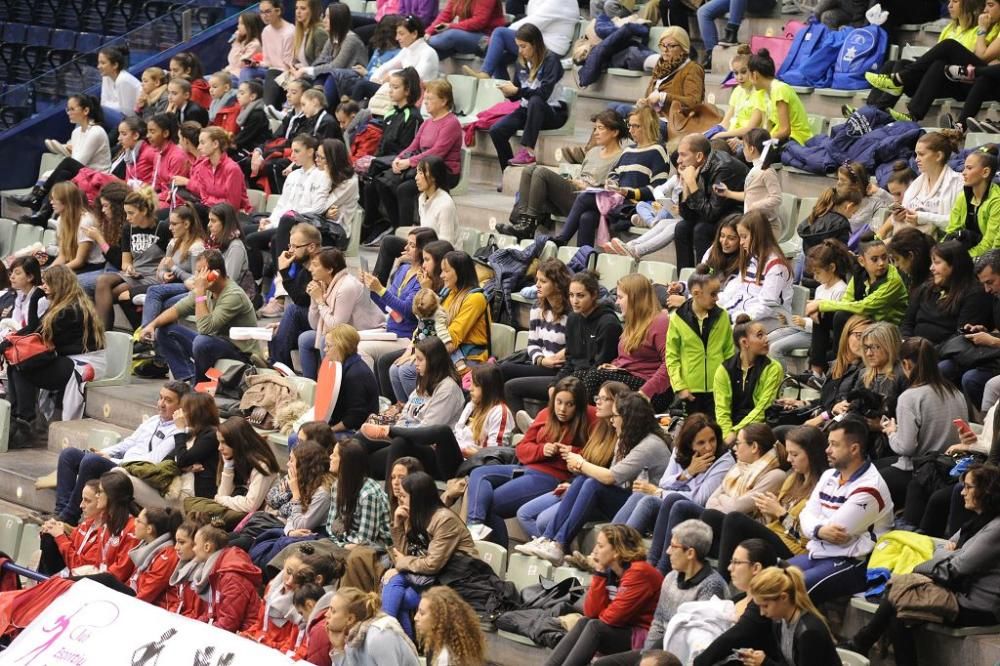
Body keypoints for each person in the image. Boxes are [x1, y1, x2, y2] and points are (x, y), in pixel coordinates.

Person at [844, 462, 1000, 664]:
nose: (962, 493)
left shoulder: (995, 529)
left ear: (987, 492)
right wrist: (953, 554)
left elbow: (958, 567)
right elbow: (943, 550)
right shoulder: (977, 522)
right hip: (955, 592)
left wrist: (936, 561)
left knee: (899, 592)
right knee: (899, 614)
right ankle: (862, 643)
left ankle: (862, 642)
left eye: (969, 487)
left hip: (978, 606)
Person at [520, 392, 672, 565]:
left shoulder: (649, 444)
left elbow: (610, 477)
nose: (612, 420)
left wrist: (581, 463)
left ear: (629, 418)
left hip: (645, 509)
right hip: (627, 497)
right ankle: (550, 540)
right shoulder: (626, 438)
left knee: (591, 484)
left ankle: (560, 544)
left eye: (615, 416)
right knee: (581, 481)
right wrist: (579, 468)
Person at [466, 376, 597, 546]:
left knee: (491, 503)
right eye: (558, 402)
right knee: (478, 473)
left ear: (578, 405)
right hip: (526, 468)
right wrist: (542, 450)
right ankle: (475, 526)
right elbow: (522, 449)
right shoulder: (545, 414)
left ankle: (498, 557)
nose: (562, 409)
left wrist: (574, 451)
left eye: (569, 404)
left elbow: (598, 456)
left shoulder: (591, 418)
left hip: (550, 477)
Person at [648, 424, 787, 575]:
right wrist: (690, 474)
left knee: (694, 509)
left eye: (738, 443)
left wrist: (723, 496)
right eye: (701, 443)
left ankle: (662, 570)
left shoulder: (774, 475)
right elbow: (710, 502)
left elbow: (735, 509)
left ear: (753, 447)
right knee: (670, 500)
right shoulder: (739, 467)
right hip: (719, 520)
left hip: (739, 532)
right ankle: (651, 563)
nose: (734, 448)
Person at [50, 381, 188, 524]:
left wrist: (114, 460)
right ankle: (59, 512)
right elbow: (129, 442)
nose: (161, 404)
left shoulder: (178, 431)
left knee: (91, 462)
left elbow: (152, 462)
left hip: (137, 475)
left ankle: (68, 518)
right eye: (160, 398)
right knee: (69, 455)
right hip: (121, 464)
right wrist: (104, 453)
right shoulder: (154, 420)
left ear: (181, 407)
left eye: (168, 400)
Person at [595, 520, 730, 665]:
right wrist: (646, 657)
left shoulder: (711, 585)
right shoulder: (671, 577)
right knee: (602, 664)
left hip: (681, 658)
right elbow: (658, 623)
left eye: (673, 546)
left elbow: (699, 641)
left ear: (690, 553)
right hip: (659, 650)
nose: (668, 551)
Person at [790, 417, 892, 602]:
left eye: (834, 445)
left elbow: (838, 529)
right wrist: (820, 530)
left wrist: (814, 527)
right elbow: (806, 513)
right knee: (767, 578)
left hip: (854, 563)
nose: (827, 450)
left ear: (854, 449)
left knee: (788, 591)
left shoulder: (870, 487)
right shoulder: (829, 475)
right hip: (818, 553)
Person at [518, 381, 630, 541]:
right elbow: (588, 461)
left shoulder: (621, 436)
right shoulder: (600, 427)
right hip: (579, 482)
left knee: (542, 520)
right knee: (524, 513)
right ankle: (551, 548)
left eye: (604, 399)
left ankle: (555, 548)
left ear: (617, 404)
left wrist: (577, 462)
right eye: (598, 397)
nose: (597, 402)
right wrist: (574, 469)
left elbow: (607, 475)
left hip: (599, 493)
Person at [4, 266, 104, 443]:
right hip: (67, 358)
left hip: (83, 363)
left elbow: (36, 333)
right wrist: (5, 344)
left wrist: (34, 300)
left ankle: (27, 422)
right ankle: (18, 417)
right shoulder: (63, 304)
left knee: (23, 367)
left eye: (47, 282)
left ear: (58, 284)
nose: (43, 286)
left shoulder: (70, 310)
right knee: (17, 363)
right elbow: (34, 330)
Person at [710, 426, 827, 574]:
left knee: (734, 519)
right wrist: (768, 511)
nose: (789, 459)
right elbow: (773, 521)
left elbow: (806, 538)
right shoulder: (792, 479)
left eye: (794, 454)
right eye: (788, 453)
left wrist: (780, 512)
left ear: (812, 454)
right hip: (773, 535)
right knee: (711, 516)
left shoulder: (822, 488)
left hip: (793, 550)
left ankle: (722, 581)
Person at [544, 525, 664, 666]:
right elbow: (590, 612)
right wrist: (599, 572)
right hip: (623, 629)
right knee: (585, 622)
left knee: (595, 627)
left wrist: (601, 613)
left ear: (617, 551)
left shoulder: (639, 572)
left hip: (644, 636)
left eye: (600, 546)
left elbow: (613, 618)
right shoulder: (610, 571)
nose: (594, 550)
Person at [504, 270, 622, 415]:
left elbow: (599, 368)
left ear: (594, 295)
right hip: (570, 377)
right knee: (511, 386)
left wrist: (566, 387)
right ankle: (523, 429)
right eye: (571, 295)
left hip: (589, 384)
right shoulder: (573, 318)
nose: (574, 301)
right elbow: (570, 360)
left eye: (580, 296)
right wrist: (555, 384)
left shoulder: (608, 324)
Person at [553, 107, 670, 248]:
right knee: (586, 218)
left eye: (636, 126)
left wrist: (628, 192)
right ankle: (584, 261)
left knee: (585, 197)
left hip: (635, 204)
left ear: (647, 126)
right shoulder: (628, 150)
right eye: (629, 125)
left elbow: (658, 189)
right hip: (617, 201)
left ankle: (563, 238)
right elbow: (614, 174)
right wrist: (611, 184)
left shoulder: (658, 151)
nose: (631, 130)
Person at [866, 0, 1000, 122]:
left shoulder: (987, 28)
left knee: (946, 50)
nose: (985, 10)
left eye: (990, 5)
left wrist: (982, 30)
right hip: (949, 75)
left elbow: (982, 57)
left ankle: (902, 87)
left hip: (970, 81)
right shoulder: (950, 28)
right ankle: (871, 112)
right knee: (896, 64)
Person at [500, 110, 626, 239]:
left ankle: (529, 225)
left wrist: (587, 186)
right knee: (528, 170)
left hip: (589, 199)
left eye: (600, 128)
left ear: (615, 132)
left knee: (541, 172)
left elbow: (612, 192)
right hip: (573, 192)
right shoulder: (593, 151)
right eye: (595, 129)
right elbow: (582, 176)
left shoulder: (621, 157)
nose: (596, 133)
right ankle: (523, 221)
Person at [381, 471, 478, 638]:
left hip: (456, 576)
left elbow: (432, 564)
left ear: (418, 497)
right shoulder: (417, 515)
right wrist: (397, 525)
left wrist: (402, 564)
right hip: (429, 573)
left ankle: (386, 636)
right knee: (393, 581)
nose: (400, 500)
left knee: (401, 598)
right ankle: (395, 643)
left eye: (404, 496)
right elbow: (405, 554)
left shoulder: (444, 520)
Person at [363, 78, 461, 241]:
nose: (426, 102)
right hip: (422, 167)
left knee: (405, 189)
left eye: (430, 99)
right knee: (381, 182)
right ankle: (397, 228)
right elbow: (413, 145)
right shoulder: (428, 122)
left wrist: (409, 163)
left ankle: (406, 235)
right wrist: (399, 159)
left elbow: (438, 152)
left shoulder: (451, 123)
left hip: (442, 170)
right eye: (426, 98)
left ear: (444, 101)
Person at [377, 364, 513, 481]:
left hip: (468, 466)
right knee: (400, 443)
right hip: (449, 457)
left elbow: (496, 456)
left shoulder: (500, 412)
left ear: (489, 388)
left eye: (475, 385)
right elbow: (458, 433)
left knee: (443, 431)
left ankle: (390, 430)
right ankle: (389, 501)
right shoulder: (473, 405)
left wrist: (471, 452)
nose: (470, 388)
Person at [143, 250, 258, 383]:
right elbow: (177, 309)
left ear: (216, 274)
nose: (196, 277)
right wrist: (152, 325)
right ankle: (189, 378)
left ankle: (202, 383)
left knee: (202, 341)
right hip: (215, 344)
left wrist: (200, 292)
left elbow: (205, 329)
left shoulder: (233, 295)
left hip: (240, 353)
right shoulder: (207, 289)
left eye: (200, 272)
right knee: (164, 330)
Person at [613, 414, 735, 539]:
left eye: (712, 440)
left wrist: (659, 493)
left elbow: (699, 500)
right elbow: (664, 482)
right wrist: (688, 472)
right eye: (701, 443)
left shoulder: (724, 462)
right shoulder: (680, 451)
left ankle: (619, 545)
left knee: (649, 501)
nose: (709, 447)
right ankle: (611, 542)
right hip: (671, 506)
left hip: (696, 514)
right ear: (690, 444)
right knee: (638, 495)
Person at [879, 337, 967, 508]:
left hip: (920, 470)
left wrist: (891, 432)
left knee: (864, 475)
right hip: (949, 466)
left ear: (906, 364)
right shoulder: (956, 392)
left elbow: (906, 448)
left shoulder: (909, 397)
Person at [359, 337, 466, 476]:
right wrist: (396, 431)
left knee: (371, 460)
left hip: (430, 451)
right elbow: (404, 416)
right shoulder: (423, 383)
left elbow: (428, 430)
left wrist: (394, 433)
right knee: (361, 440)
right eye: (415, 358)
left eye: (420, 359)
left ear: (434, 361)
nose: (415, 363)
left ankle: (389, 494)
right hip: (404, 439)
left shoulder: (448, 389)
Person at [806, 238, 909, 365]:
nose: (881, 263)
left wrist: (821, 304)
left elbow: (865, 307)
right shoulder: (859, 274)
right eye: (875, 259)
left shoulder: (892, 281)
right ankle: (817, 369)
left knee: (840, 315)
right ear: (862, 261)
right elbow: (847, 301)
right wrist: (820, 308)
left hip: (886, 327)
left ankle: (839, 364)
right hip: (867, 320)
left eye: (884, 257)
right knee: (824, 315)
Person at [578, 274, 671, 409]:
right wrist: (616, 366)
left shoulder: (660, 322)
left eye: (620, 297)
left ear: (635, 299)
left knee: (594, 378)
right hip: (630, 376)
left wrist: (645, 391)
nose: (616, 302)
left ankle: (588, 424)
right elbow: (630, 359)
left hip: (652, 391)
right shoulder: (634, 321)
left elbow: (669, 365)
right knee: (578, 376)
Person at [488, 24, 567, 169]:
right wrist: (508, 92)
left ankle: (528, 151)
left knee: (536, 101)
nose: (520, 51)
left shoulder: (551, 61)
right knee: (496, 131)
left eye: (523, 46)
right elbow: (519, 92)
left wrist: (517, 91)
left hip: (552, 113)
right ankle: (508, 173)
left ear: (535, 44)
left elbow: (543, 94)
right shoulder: (521, 63)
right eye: (518, 46)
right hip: (527, 111)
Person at [689, 540, 780, 666]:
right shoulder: (738, 598)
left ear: (756, 568)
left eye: (736, 562)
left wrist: (697, 663)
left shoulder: (762, 607)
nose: (729, 568)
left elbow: (732, 639)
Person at [299, 248, 385, 379]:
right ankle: (310, 384)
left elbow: (336, 326)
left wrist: (320, 301)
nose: (310, 269)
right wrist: (314, 299)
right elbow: (314, 324)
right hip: (345, 330)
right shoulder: (324, 284)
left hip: (367, 330)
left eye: (315, 265)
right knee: (305, 339)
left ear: (330, 269)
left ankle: (331, 385)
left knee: (325, 341)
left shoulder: (347, 286)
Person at [357, 227, 436, 371]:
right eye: (407, 243)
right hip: (391, 330)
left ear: (423, 250)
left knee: (360, 349)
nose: (406, 248)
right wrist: (372, 289)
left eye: (412, 245)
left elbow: (407, 311)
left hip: (405, 337)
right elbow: (388, 308)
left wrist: (380, 289)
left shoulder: (423, 279)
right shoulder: (403, 269)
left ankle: (370, 391)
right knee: (350, 340)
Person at [94, 187, 170, 331]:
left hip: (155, 274)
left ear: (144, 211)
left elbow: (170, 258)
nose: (127, 218)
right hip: (136, 273)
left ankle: (126, 331)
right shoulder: (128, 228)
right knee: (102, 281)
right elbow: (125, 262)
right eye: (126, 213)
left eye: (131, 213)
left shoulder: (163, 227)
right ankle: (103, 334)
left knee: (118, 292)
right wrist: (129, 268)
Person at [183, 416, 281, 529]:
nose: (219, 448)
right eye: (219, 442)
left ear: (238, 442)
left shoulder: (263, 465)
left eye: (224, 442)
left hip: (262, 520)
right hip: (240, 512)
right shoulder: (234, 459)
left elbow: (251, 505)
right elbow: (223, 494)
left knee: (207, 524)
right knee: (195, 510)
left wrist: (222, 499)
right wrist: (228, 467)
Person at [38, 472, 139, 580]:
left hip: (112, 588)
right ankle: (43, 580)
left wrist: (60, 536)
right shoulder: (106, 525)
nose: (97, 495)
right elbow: (97, 567)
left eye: (100, 492)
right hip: (96, 579)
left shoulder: (131, 529)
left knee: (57, 584)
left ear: (111, 496)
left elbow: (117, 576)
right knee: (49, 538)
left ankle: (45, 581)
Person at [770, 241, 851, 371]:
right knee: (766, 340)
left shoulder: (841, 290)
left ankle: (780, 383)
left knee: (775, 348)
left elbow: (827, 324)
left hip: (818, 335)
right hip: (806, 329)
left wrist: (803, 322)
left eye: (818, 273)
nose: (815, 277)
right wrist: (789, 320)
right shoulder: (820, 289)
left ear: (832, 268)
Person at [666, 266, 735, 417]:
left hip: (718, 389)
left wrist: (728, 385)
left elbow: (729, 353)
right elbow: (672, 357)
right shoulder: (677, 318)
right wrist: (680, 387)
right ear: (697, 293)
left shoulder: (722, 316)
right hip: (690, 391)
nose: (717, 298)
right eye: (713, 294)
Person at [674, 133, 749, 268]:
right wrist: (686, 186)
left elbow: (710, 214)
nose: (679, 160)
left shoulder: (724, 168)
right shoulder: (697, 166)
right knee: (681, 228)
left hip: (737, 215)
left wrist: (692, 183)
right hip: (715, 212)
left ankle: (704, 278)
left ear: (699, 156)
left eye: (683, 155)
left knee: (701, 229)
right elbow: (687, 215)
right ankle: (684, 280)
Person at [740, 566, 840, 666]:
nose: (762, 613)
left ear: (783, 597)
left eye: (765, 606)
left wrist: (765, 663)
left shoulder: (809, 633)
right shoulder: (780, 622)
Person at [902, 240, 993, 345]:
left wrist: (925, 353)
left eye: (937, 263)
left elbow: (961, 337)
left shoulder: (975, 294)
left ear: (954, 265)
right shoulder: (927, 287)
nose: (931, 268)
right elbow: (907, 323)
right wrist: (906, 343)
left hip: (945, 354)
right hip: (913, 350)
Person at [498, 258, 570, 390]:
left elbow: (574, 348)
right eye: (537, 280)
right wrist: (541, 360)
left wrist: (551, 360)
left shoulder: (570, 314)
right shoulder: (538, 307)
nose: (537, 285)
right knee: (499, 369)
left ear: (558, 284)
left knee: (506, 372)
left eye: (543, 281)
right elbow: (532, 344)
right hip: (542, 363)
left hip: (559, 369)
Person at [878, 132, 965, 239]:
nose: (916, 159)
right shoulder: (916, 184)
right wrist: (899, 218)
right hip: (909, 240)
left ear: (938, 156)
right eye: (916, 154)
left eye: (921, 154)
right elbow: (908, 213)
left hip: (939, 245)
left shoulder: (958, 183)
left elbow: (958, 222)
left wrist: (923, 217)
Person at [464, 0, 579, 79]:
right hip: (537, 39)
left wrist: (498, 35)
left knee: (500, 33)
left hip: (552, 47)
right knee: (497, 57)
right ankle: (507, 97)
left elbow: (534, 23)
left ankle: (485, 73)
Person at [720, 211, 793, 331]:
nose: (741, 242)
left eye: (744, 237)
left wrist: (743, 316)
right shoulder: (752, 260)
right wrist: (717, 306)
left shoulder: (776, 266)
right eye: (740, 237)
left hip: (773, 322)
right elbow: (736, 291)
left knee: (722, 333)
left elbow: (768, 306)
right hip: (747, 317)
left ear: (757, 235)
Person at [715, 316, 784, 443]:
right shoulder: (723, 370)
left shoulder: (773, 368)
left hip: (759, 429)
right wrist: (726, 436)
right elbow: (722, 411)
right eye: (760, 335)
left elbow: (763, 408)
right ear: (744, 343)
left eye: (765, 334)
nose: (766, 339)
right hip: (730, 430)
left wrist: (736, 433)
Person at [138, 205, 207, 328]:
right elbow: (160, 270)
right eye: (170, 224)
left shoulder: (196, 247)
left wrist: (175, 269)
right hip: (173, 285)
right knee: (158, 296)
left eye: (174, 224)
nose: (170, 228)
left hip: (190, 289)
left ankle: (146, 332)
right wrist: (164, 275)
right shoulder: (173, 243)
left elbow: (196, 280)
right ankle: (149, 334)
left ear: (186, 224)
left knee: (154, 291)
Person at [190, 525, 264, 632]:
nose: (193, 549)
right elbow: (213, 614)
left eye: (195, 544)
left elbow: (229, 624)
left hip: (245, 638)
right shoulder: (218, 569)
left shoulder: (231, 577)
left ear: (207, 547)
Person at [353, 16, 440, 104]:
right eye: (397, 34)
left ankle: (350, 114)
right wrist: (375, 78)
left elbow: (414, 77)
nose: (397, 38)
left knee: (362, 86)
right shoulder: (407, 50)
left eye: (401, 34)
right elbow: (385, 67)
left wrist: (391, 74)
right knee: (357, 83)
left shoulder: (428, 52)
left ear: (414, 34)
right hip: (400, 90)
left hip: (416, 97)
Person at [326, 587, 420, 665]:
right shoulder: (351, 637)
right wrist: (339, 649)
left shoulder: (380, 635)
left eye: (333, 611)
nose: (326, 614)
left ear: (350, 619)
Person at [171, 126, 252, 214]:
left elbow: (232, 205)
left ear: (215, 144)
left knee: (188, 214)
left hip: (231, 217)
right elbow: (203, 197)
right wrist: (213, 202)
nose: (198, 147)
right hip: (210, 212)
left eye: (202, 143)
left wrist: (210, 202)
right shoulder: (203, 166)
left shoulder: (232, 169)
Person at [715, 128, 782, 235]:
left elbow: (776, 198)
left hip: (766, 227)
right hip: (753, 223)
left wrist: (754, 206)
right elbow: (750, 195)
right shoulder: (756, 169)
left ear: (751, 149)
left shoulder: (767, 171)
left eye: (744, 146)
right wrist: (728, 193)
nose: (743, 150)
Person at [747, 48, 813, 146]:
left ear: (755, 75)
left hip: (796, 139)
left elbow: (785, 130)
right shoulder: (761, 93)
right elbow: (766, 127)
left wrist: (763, 143)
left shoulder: (779, 89)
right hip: (778, 137)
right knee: (747, 151)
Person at [945, 145, 1000, 257]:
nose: (963, 172)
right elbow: (951, 230)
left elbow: (990, 244)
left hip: (989, 259)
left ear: (985, 172)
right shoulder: (962, 197)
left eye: (969, 168)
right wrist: (942, 252)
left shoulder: (997, 202)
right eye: (964, 167)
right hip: (966, 253)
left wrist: (963, 258)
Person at [414, 586, 487, 666]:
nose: (415, 618)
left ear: (438, 618)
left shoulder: (447, 657)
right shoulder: (444, 648)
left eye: (422, 613)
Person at [126, 508, 182, 608]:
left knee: (107, 580)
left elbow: (147, 594)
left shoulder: (168, 555)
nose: (134, 523)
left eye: (139, 521)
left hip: (157, 609)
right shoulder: (146, 547)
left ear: (149, 529)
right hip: (138, 596)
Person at [47, 182, 104, 274]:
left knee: (58, 281)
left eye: (55, 199)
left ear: (66, 200)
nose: (51, 202)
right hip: (74, 263)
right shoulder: (61, 219)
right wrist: (48, 270)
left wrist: (54, 272)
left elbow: (80, 261)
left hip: (93, 266)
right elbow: (63, 256)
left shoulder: (85, 221)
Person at [426, 0, 506, 60]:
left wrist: (451, 26)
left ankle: (421, 42)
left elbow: (479, 22)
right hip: (466, 35)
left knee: (452, 35)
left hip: (487, 39)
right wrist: (428, 32)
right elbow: (446, 14)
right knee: (431, 52)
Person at [256, 0, 296, 104]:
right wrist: (256, 63)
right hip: (270, 69)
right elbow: (267, 61)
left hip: (287, 71)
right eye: (261, 12)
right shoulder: (266, 31)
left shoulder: (290, 32)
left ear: (278, 11)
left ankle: (268, 109)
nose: (264, 15)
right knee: (247, 71)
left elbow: (288, 63)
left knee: (272, 73)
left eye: (268, 11)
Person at [414, 155, 458, 244]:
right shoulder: (422, 198)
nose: (416, 178)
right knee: (389, 242)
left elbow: (446, 244)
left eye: (421, 173)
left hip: (442, 254)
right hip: (426, 249)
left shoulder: (445, 204)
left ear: (434, 177)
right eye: (417, 173)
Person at [97, 46, 141, 123]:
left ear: (115, 65)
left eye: (103, 63)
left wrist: (110, 105)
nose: (98, 66)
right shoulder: (106, 76)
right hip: (118, 119)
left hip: (133, 121)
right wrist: (115, 105)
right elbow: (103, 103)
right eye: (99, 63)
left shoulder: (123, 80)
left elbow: (127, 112)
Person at [227, 10, 264, 79]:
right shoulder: (242, 41)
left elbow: (239, 64)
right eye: (238, 23)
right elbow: (230, 60)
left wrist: (237, 43)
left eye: (241, 24)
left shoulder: (255, 44)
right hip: (231, 72)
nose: (238, 27)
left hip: (239, 76)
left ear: (250, 26)